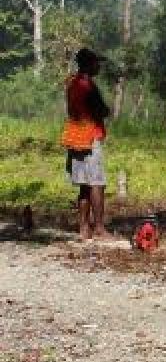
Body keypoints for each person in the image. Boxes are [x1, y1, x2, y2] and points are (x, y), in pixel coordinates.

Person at [61, 48, 112, 241]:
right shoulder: (87, 86)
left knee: (84, 184)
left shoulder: (72, 84)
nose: (98, 66)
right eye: (96, 63)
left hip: (75, 137)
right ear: (89, 65)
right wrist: (104, 110)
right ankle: (99, 228)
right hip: (90, 137)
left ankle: (83, 228)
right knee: (97, 183)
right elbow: (101, 110)